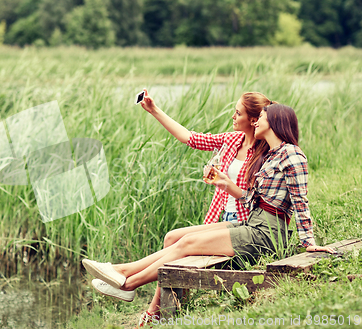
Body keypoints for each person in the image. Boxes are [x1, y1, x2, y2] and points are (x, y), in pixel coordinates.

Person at [83, 103, 336, 327]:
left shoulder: (292, 155)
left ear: (276, 122)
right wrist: (226, 183)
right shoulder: (270, 155)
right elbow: (251, 199)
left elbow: (301, 200)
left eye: (262, 117)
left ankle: (126, 282)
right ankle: (122, 275)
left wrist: (309, 242)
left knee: (188, 244)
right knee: (180, 239)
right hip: (251, 223)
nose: (257, 121)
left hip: (266, 234)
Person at [139, 88, 274, 224]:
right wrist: (154, 110)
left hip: (245, 221)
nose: (233, 116)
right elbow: (190, 138)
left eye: (238, 113)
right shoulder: (231, 140)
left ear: (253, 120)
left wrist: (226, 184)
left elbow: (260, 200)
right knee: (175, 239)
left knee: (183, 241)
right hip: (221, 216)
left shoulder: (266, 152)